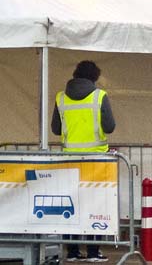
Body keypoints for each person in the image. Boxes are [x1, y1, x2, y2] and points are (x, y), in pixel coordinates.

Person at [51, 61, 115, 263]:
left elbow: (55, 128)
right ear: (95, 77)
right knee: (95, 205)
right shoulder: (100, 96)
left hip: (69, 160)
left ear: (75, 74)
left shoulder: (60, 98)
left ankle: (71, 251)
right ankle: (94, 251)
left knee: (71, 204)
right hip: (96, 160)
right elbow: (110, 126)